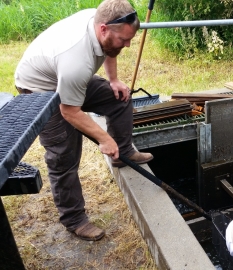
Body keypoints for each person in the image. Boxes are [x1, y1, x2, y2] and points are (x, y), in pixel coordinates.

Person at [14, 0, 153, 241]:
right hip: (39, 90)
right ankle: (74, 219)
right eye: (124, 39)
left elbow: (109, 49)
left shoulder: (102, 22)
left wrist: (114, 79)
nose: (128, 44)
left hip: (64, 76)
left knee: (119, 98)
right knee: (64, 154)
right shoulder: (76, 61)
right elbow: (69, 111)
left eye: (130, 39)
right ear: (103, 29)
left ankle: (124, 152)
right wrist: (104, 138)